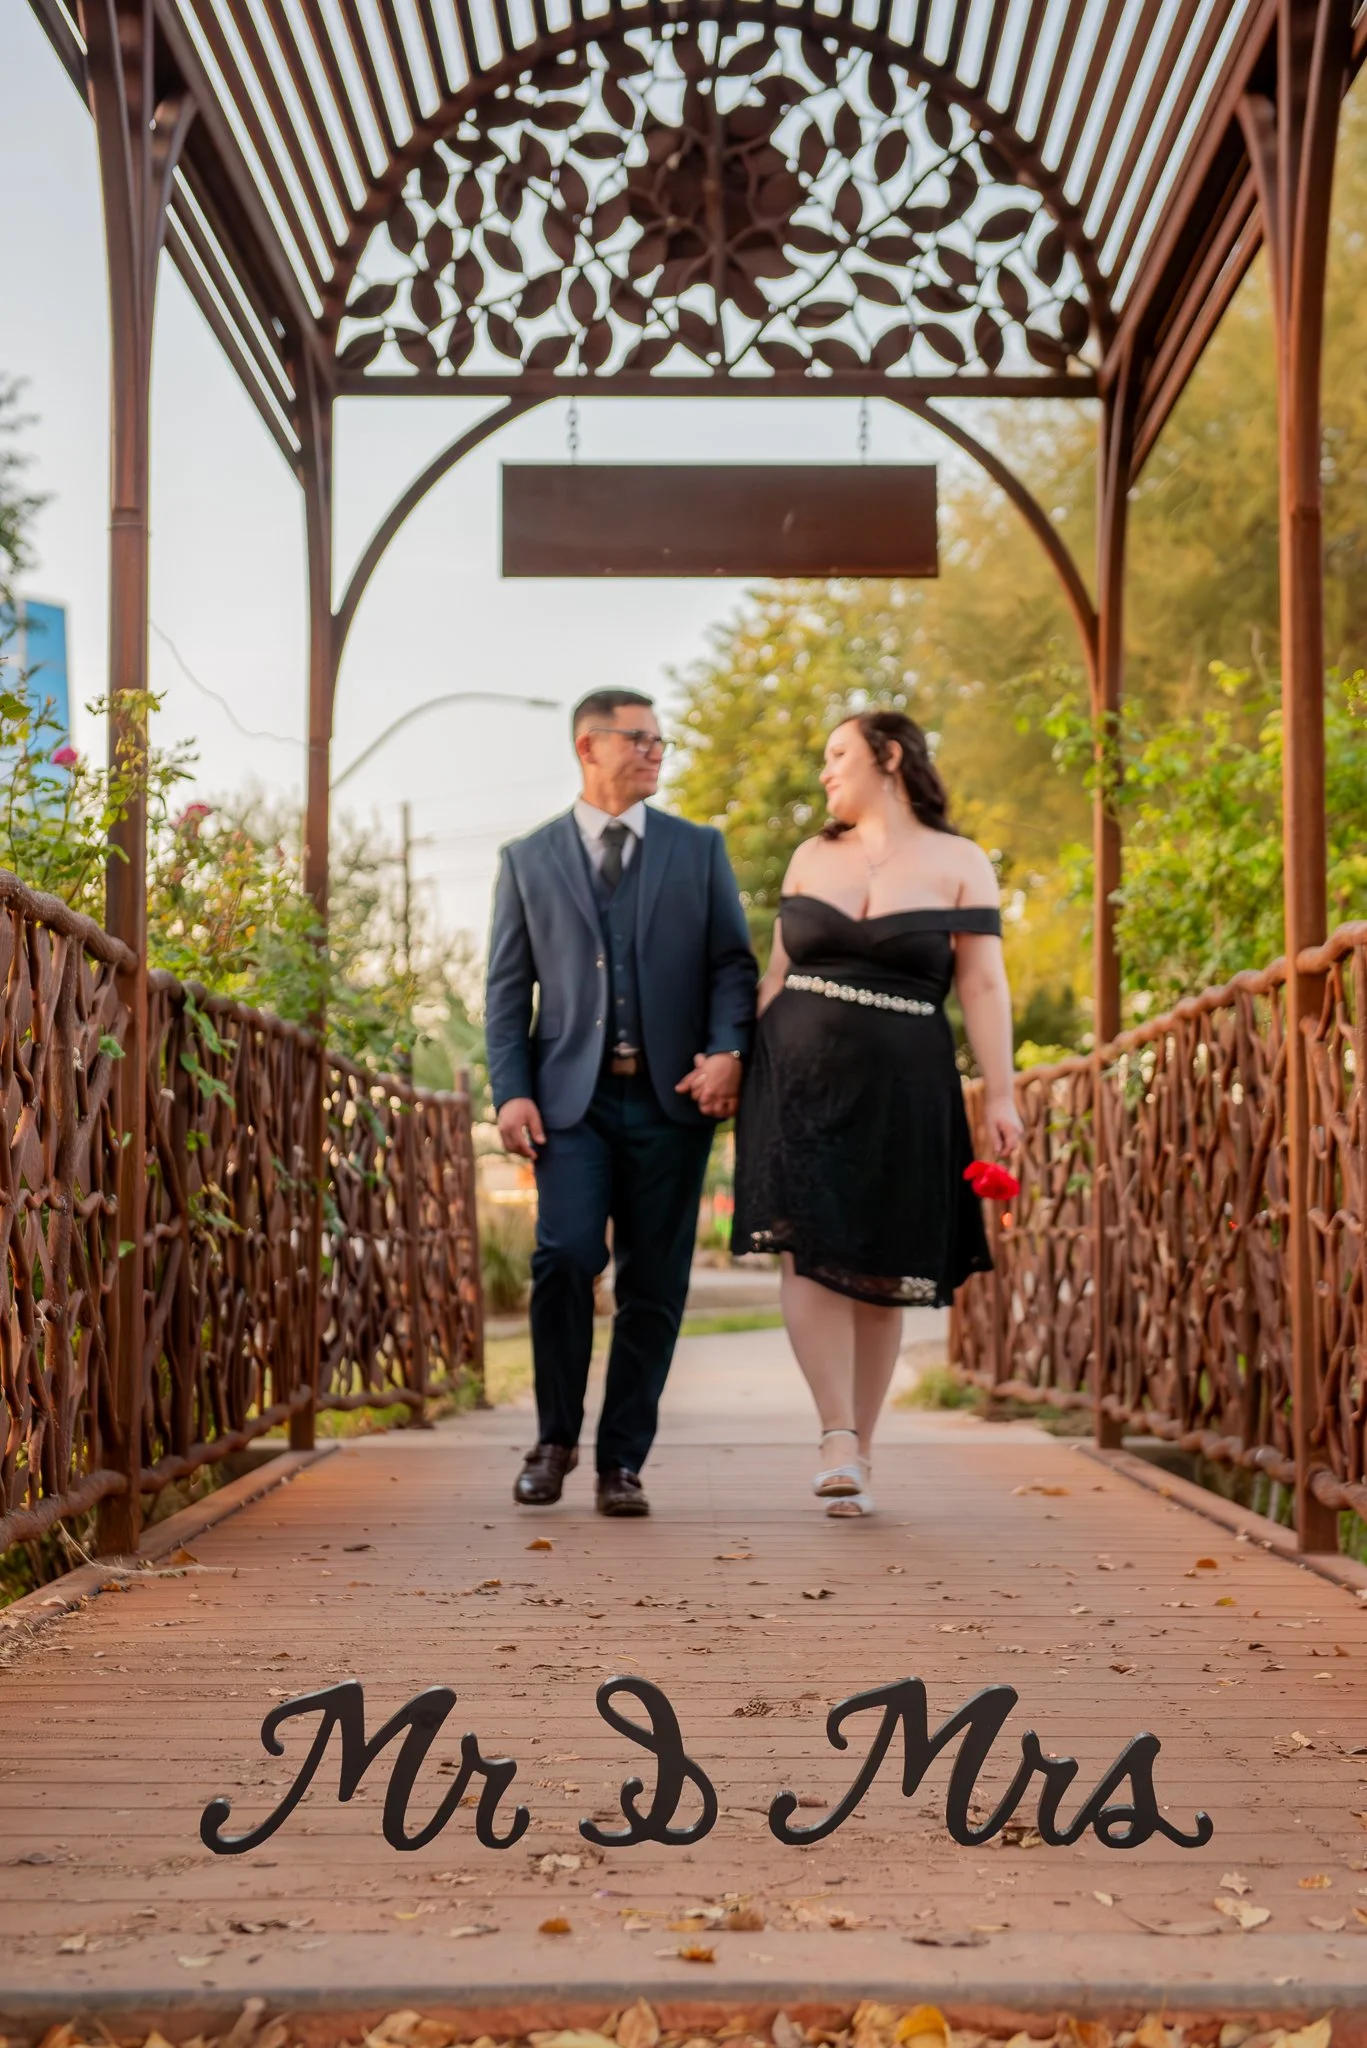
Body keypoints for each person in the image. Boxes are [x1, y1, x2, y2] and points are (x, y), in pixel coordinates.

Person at [732, 708, 1021, 1518]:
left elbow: (983, 985)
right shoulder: (808, 855)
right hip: (795, 1081)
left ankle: (858, 1448)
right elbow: (776, 976)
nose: (824, 774)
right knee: (806, 1246)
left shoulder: (960, 861)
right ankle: (834, 1437)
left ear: (887, 757)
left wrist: (1000, 1092)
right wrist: (730, 1061)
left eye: (836, 756)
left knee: (883, 1261)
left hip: (906, 1087)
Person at [485, 689, 757, 1517]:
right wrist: (512, 1091)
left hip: (673, 1102)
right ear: (587, 746)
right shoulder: (526, 859)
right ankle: (554, 1439)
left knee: (655, 1286)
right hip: (572, 1105)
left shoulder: (697, 848)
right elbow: (505, 987)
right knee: (564, 1258)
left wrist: (728, 1052)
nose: (654, 753)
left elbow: (730, 965)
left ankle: (621, 1463)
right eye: (638, 739)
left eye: (659, 741)